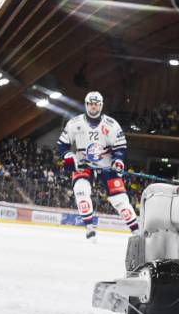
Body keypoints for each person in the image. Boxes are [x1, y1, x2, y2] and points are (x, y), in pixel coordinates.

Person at [56, 91, 138, 240]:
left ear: (101, 105)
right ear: (86, 105)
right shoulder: (74, 123)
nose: (93, 107)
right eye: (91, 104)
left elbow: (120, 147)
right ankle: (89, 226)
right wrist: (68, 156)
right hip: (83, 164)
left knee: (120, 200)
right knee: (81, 190)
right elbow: (62, 145)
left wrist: (118, 161)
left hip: (107, 166)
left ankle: (136, 231)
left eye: (96, 104)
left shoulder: (111, 125)